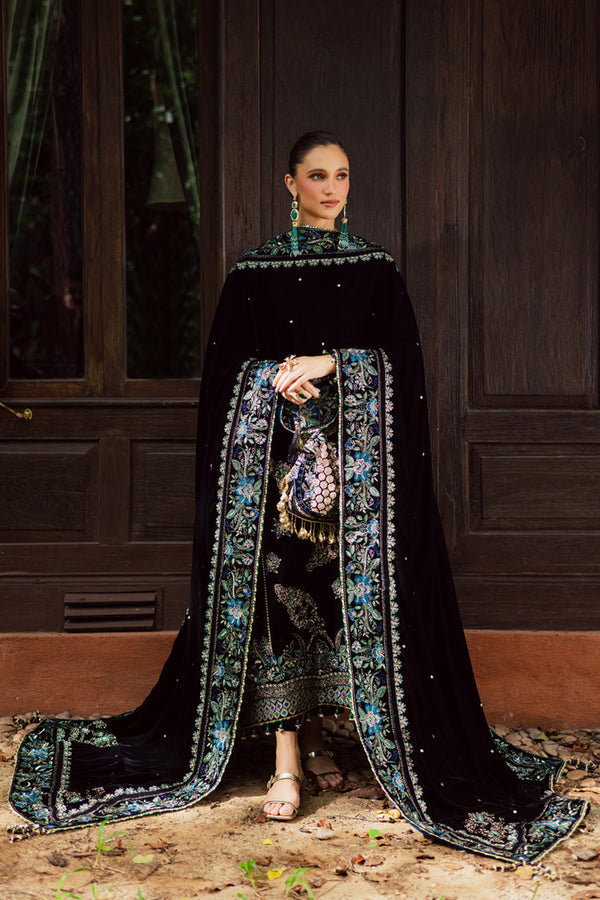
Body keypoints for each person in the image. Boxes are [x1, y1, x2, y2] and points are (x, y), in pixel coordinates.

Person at [9, 131, 588, 861]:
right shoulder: (254, 273)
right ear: (291, 184)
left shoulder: (376, 269)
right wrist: (273, 380)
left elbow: (403, 368)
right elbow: (224, 374)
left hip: (359, 480)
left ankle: (323, 742)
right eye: (317, 175)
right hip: (274, 477)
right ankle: (288, 757)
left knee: (342, 601)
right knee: (282, 595)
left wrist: (331, 364)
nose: (332, 188)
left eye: (341, 174)